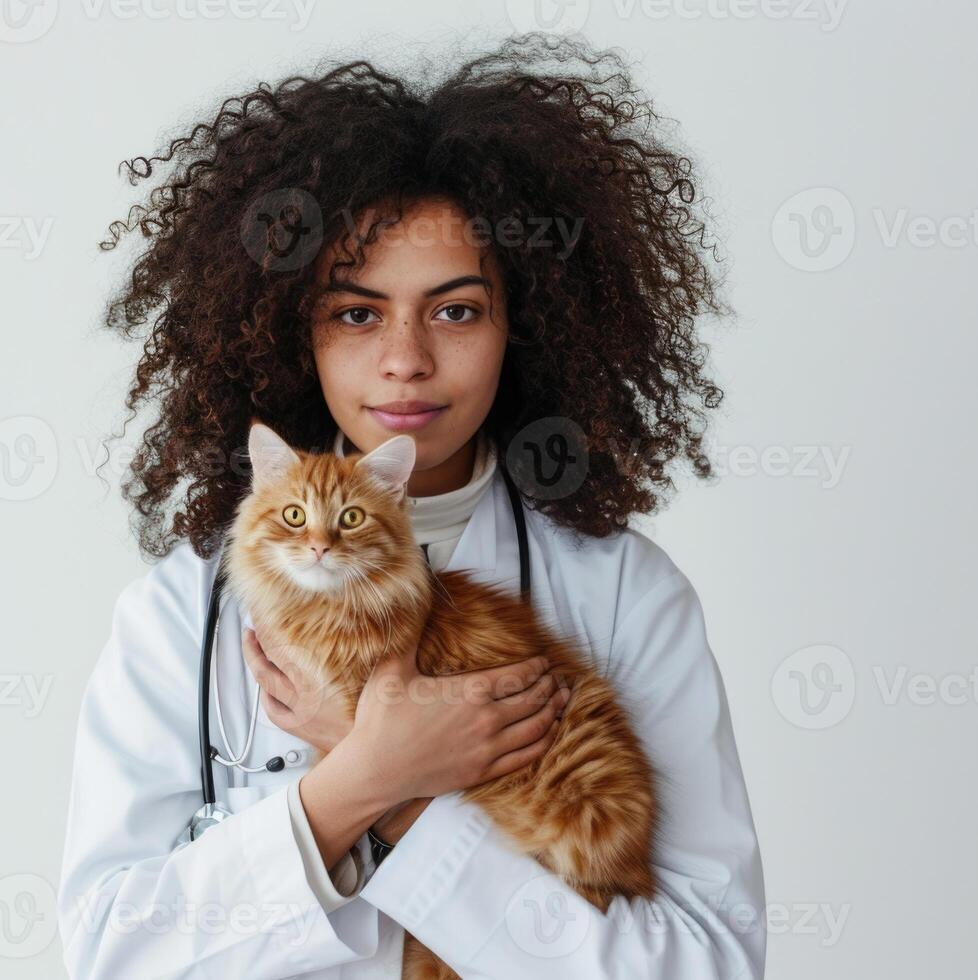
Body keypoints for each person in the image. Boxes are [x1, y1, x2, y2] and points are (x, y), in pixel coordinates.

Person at [57, 34, 765, 979]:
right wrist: (351, 787)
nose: (406, 359)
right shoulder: (184, 612)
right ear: (287, 328)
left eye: (457, 310)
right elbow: (112, 953)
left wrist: (410, 807)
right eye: (356, 313)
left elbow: (706, 962)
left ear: (532, 323)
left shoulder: (623, 593)